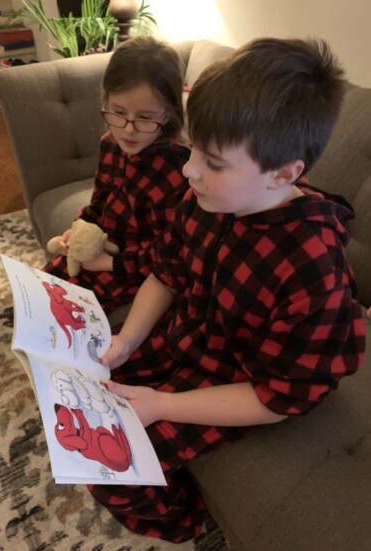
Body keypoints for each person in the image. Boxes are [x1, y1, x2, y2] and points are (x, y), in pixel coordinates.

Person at [87, 37, 366, 543]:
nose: (189, 168)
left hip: (244, 381)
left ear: (284, 173)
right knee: (87, 389)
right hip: (189, 340)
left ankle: (194, 524)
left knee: (113, 473)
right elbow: (166, 271)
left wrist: (162, 405)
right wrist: (125, 341)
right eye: (194, 148)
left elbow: (279, 396)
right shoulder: (207, 199)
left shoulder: (311, 268)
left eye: (213, 161)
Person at [44, 36, 189, 313]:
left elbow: (169, 252)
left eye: (145, 117)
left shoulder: (177, 169)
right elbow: (99, 203)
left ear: (169, 113)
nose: (128, 129)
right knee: (44, 283)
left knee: (66, 311)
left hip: (132, 268)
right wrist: (79, 227)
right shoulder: (110, 144)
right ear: (106, 101)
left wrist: (111, 264)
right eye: (118, 112)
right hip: (99, 248)